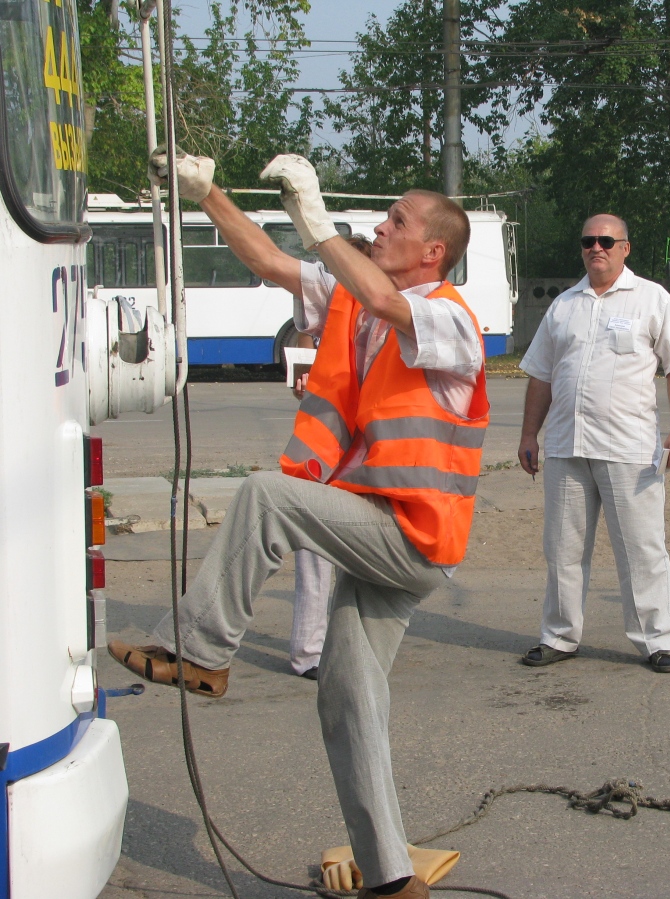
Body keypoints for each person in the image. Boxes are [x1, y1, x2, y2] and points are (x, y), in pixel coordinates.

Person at [109, 150, 488, 899]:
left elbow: (383, 299)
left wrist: (317, 217)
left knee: (267, 494)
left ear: (433, 250)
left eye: (397, 222)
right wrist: (208, 194)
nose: (382, 227)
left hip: (413, 536)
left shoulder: (448, 318)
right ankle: (391, 880)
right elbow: (275, 263)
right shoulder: (355, 299)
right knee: (347, 695)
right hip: (373, 526)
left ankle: (203, 649)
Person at [517, 214, 670, 673]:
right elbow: (540, 374)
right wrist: (527, 435)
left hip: (628, 449)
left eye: (606, 241)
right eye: (588, 241)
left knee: (642, 547)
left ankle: (659, 640)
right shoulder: (564, 305)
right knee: (561, 549)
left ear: (625, 248)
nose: (596, 247)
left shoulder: (652, 299)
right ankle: (558, 636)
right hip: (565, 446)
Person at [289, 234, 374, 681]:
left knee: (363, 553)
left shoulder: (387, 303)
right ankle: (308, 652)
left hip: (371, 447)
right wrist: (303, 369)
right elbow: (305, 337)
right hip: (326, 443)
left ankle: (351, 647)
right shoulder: (333, 300)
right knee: (315, 551)